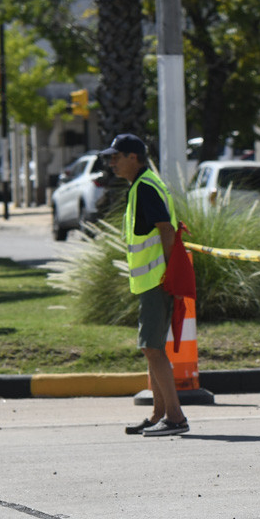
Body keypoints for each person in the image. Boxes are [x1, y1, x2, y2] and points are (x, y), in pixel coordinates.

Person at [103, 133, 189, 437]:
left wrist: (169, 276)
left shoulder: (145, 188)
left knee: (152, 348)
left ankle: (175, 418)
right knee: (152, 348)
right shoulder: (143, 185)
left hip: (157, 282)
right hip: (152, 281)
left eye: (117, 156)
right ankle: (158, 415)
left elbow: (166, 230)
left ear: (134, 157)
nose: (111, 162)